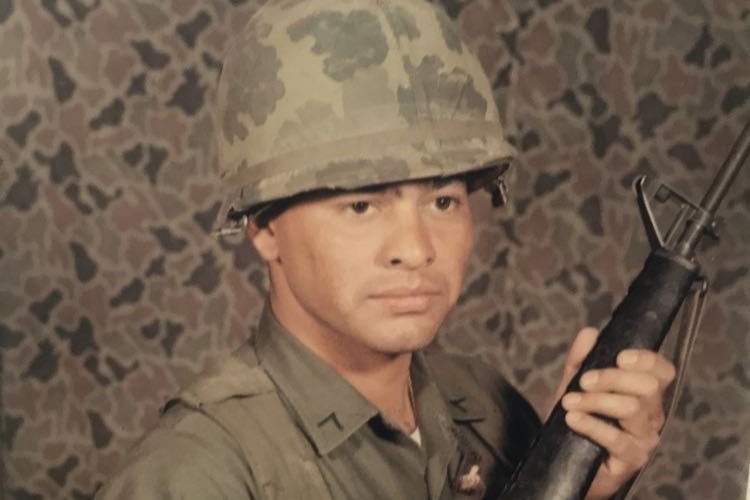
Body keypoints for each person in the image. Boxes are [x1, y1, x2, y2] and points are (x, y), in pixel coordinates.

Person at [97, 0, 675, 498]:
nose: (415, 250)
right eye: (362, 206)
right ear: (264, 227)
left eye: (443, 201)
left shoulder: (486, 407)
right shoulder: (199, 473)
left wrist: (579, 481)